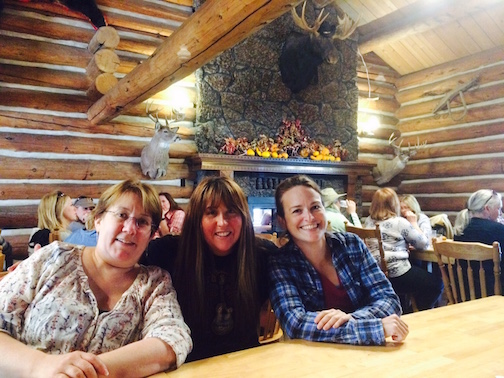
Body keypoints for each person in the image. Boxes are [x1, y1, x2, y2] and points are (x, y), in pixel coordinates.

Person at [0, 179, 192, 377]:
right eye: (122, 215)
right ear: (98, 220)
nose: (129, 229)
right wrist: (41, 365)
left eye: (141, 222)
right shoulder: (54, 258)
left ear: (151, 235)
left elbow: (172, 339)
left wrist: (81, 371)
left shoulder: (154, 284)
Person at [145, 176, 277, 361]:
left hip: (246, 363)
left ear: (243, 217)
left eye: (231, 211)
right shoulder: (167, 252)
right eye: (211, 213)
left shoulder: (263, 254)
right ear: (197, 219)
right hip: (187, 367)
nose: (222, 222)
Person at [268, 175, 408, 345]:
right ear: (283, 221)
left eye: (315, 207)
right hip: (313, 361)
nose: (310, 217)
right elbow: (296, 324)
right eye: (297, 211)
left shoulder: (352, 245)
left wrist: (350, 318)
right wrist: (376, 328)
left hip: (372, 354)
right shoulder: (280, 262)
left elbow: (389, 300)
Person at [364, 188, 443, 311]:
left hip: (376, 274)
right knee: (436, 284)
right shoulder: (399, 222)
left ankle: (405, 310)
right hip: (396, 274)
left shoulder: (368, 221)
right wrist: (414, 222)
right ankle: (414, 313)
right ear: (394, 204)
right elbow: (423, 244)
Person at [454, 189, 504, 295]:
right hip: (494, 292)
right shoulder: (499, 230)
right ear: (487, 209)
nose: (500, 213)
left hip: (465, 292)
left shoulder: (460, 230)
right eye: (499, 209)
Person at [28, 190, 77, 255]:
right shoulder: (66, 237)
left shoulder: (36, 235)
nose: (75, 208)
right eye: (71, 205)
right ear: (59, 210)